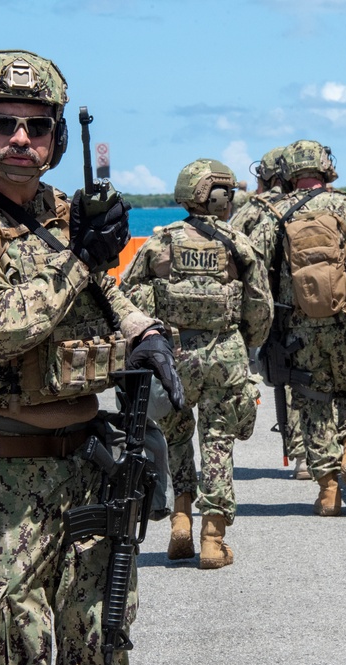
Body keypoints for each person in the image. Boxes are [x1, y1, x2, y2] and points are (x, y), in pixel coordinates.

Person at [0, 50, 184, 665]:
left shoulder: (60, 214)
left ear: (57, 137)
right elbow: (1, 329)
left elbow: (106, 298)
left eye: (36, 125)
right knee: (5, 647)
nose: (19, 138)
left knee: (98, 643)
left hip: (87, 467)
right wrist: (81, 258)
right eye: (1, 123)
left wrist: (147, 331)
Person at [122, 159, 272, 569]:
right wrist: (247, 344)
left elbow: (128, 298)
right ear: (222, 196)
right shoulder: (238, 244)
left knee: (175, 437)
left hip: (174, 356)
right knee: (218, 441)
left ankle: (181, 520)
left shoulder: (158, 244)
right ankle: (213, 538)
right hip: (225, 354)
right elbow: (260, 307)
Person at [250, 139, 346, 516]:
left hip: (301, 326)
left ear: (289, 173)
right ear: (325, 168)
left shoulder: (276, 214)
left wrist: (260, 329)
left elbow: (254, 273)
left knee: (313, 401)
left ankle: (328, 489)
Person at [228, 146, 312, 480]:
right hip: (316, 302)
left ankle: (302, 453)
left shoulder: (256, 209)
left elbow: (231, 245)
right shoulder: (317, 204)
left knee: (285, 376)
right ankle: (326, 451)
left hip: (274, 305)